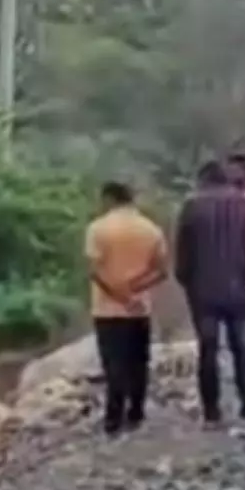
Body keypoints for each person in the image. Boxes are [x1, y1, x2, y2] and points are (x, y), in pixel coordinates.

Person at [174, 160, 245, 425]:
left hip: (203, 292)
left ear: (203, 179)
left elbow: (183, 255)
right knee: (243, 349)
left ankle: (212, 412)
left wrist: (187, 282)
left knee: (208, 350)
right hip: (241, 290)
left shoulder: (191, 206)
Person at [85, 181, 168, 435]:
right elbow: (161, 272)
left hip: (108, 310)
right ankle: (136, 414)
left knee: (113, 365)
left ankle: (113, 419)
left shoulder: (98, 229)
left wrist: (120, 296)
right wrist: (135, 290)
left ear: (109, 199)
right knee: (138, 362)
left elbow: (95, 271)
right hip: (140, 308)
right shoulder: (151, 230)